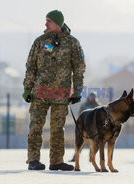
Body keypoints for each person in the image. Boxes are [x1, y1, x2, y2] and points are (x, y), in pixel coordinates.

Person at [22, 10, 86, 171]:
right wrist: (27, 88)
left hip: (61, 94)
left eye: (49, 21)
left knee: (58, 129)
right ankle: (33, 160)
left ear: (58, 23)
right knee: (36, 127)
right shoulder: (40, 42)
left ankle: (56, 161)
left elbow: (79, 68)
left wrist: (77, 90)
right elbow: (31, 66)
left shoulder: (72, 43)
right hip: (40, 93)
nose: (45, 24)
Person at [70, 92, 100, 162]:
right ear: (88, 97)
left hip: (94, 128)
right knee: (80, 142)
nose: (91, 98)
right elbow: (80, 115)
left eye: (93, 97)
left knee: (93, 143)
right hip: (84, 126)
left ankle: (91, 158)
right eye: (90, 96)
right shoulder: (84, 105)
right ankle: (75, 157)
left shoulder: (98, 106)